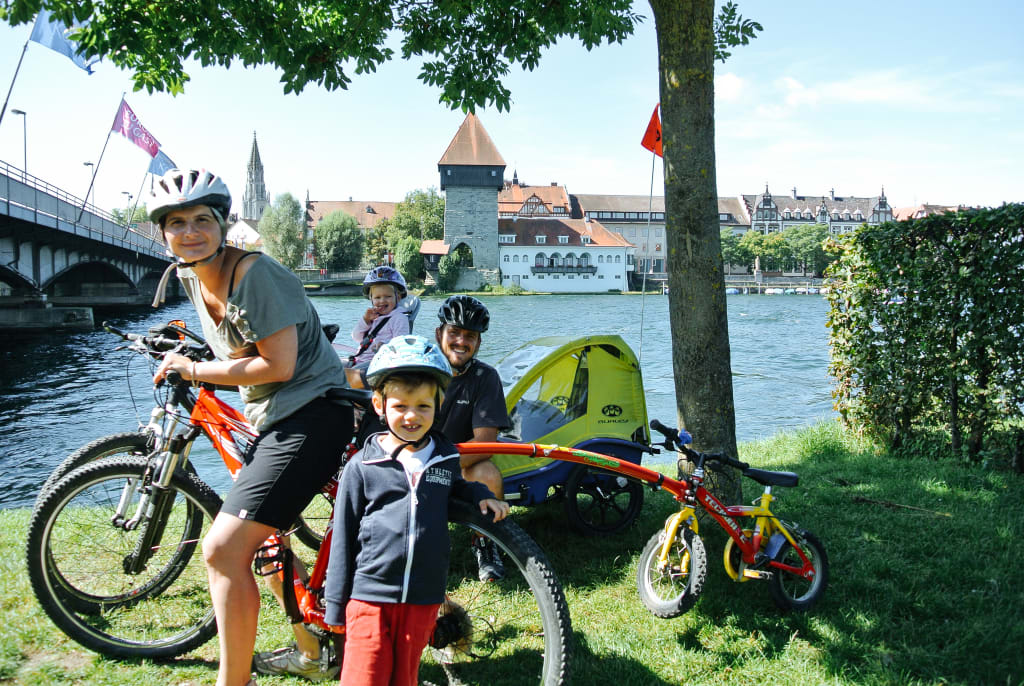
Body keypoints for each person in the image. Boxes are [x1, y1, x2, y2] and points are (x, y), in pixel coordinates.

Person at [148, 168, 352, 686]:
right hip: (279, 417)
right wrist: (186, 354)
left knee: (221, 550)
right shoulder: (195, 275)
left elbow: (278, 366)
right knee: (262, 540)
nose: (190, 232)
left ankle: (232, 682)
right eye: (176, 223)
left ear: (222, 223)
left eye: (201, 220)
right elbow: (239, 346)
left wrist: (192, 370)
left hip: (312, 415)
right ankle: (312, 645)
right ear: (163, 233)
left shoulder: (253, 273)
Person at [324, 335, 509, 686]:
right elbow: (343, 537)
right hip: (369, 597)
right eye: (400, 406)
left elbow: (455, 487)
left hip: (423, 599)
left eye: (424, 406)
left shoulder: (444, 456)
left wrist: (480, 493)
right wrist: (335, 604)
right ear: (379, 405)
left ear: (439, 403)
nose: (412, 416)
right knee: (364, 677)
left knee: (404, 677)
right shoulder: (362, 466)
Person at [433, 295, 512, 582]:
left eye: (470, 336)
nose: (461, 341)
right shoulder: (420, 370)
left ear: (478, 342)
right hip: (414, 459)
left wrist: (439, 463)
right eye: (454, 332)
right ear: (439, 333)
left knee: (487, 472)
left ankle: (487, 544)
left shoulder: (485, 377)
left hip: (458, 463)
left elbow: (485, 441)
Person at [348, 266, 411, 367]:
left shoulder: (399, 318)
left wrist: (385, 346)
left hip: (377, 364)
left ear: (398, 297)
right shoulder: (374, 316)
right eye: (377, 297)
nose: (382, 301)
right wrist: (365, 321)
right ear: (371, 299)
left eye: (388, 296)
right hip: (360, 360)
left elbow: (401, 344)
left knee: (340, 376)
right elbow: (356, 337)